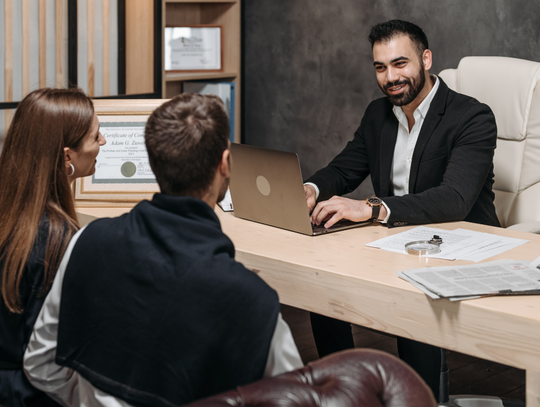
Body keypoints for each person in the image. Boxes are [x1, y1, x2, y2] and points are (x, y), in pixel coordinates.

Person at [24, 94, 303, 407]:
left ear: (154, 163)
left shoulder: (86, 241)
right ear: (225, 164)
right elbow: (293, 399)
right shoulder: (253, 299)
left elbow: (40, 365)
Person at [304, 20, 499, 399]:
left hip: (460, 243)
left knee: (412, 290)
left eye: (400, 64)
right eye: (380, 67)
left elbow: (454, 199)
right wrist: (309, 189)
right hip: (395, 238)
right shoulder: (378, 115)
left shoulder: (471, 117)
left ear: (426, 59)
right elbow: (344, 169)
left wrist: (372, 208)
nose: (390, 77)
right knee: (322, 281)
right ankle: (346, 389)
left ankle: (417, 397)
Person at [0, 88, 106, 407]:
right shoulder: (57, 239)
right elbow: (49, 360)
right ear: (66, 157)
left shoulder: (11, 212)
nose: (102, 143)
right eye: (95, 137)